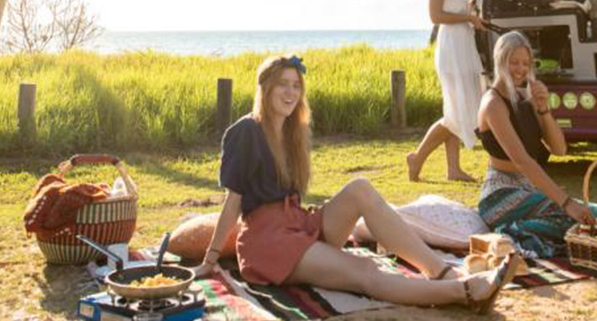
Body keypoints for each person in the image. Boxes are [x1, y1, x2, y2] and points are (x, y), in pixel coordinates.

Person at [194, 55, 520, 314]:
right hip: (268, 243)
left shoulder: (292, 133)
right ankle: (464, 292)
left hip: (298, 223)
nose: (291, 92)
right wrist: (210, 259)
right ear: (265, 88)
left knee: (360, 188)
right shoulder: (245, 132)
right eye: (283, 84)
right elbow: (233, 202)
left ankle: (443, 272)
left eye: (296, 85)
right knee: (363, 270)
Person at [476, 31, 597, 258]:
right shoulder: (493, 103)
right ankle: (510, 234)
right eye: (514, 62)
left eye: (525, 63)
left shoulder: (525, 99)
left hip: (528, 191)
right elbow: (522, 161)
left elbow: (559, 149)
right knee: (576, 217)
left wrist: (543, 108)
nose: (520, 69)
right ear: (500, 61)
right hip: (499, 197)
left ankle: (525, 236)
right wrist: (567, 203)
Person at [407, 0, 487, 182]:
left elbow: (453, 8)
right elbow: (435, 15)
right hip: (452, 46)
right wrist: (467, 18)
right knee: (455, 109)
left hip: (461, 43)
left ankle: (453, 169)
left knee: (458, 106)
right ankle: (417, 157)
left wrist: (469, 9)